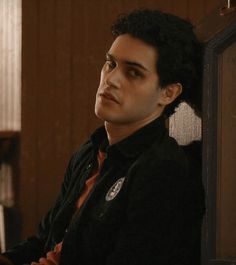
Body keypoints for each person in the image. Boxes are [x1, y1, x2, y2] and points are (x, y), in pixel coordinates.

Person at [0, 9, 205, 265]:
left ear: (168, 93)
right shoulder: (91, 151)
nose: (111, 79)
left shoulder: (164, 171)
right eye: (111, 63)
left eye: (133, 72)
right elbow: (45, 241)